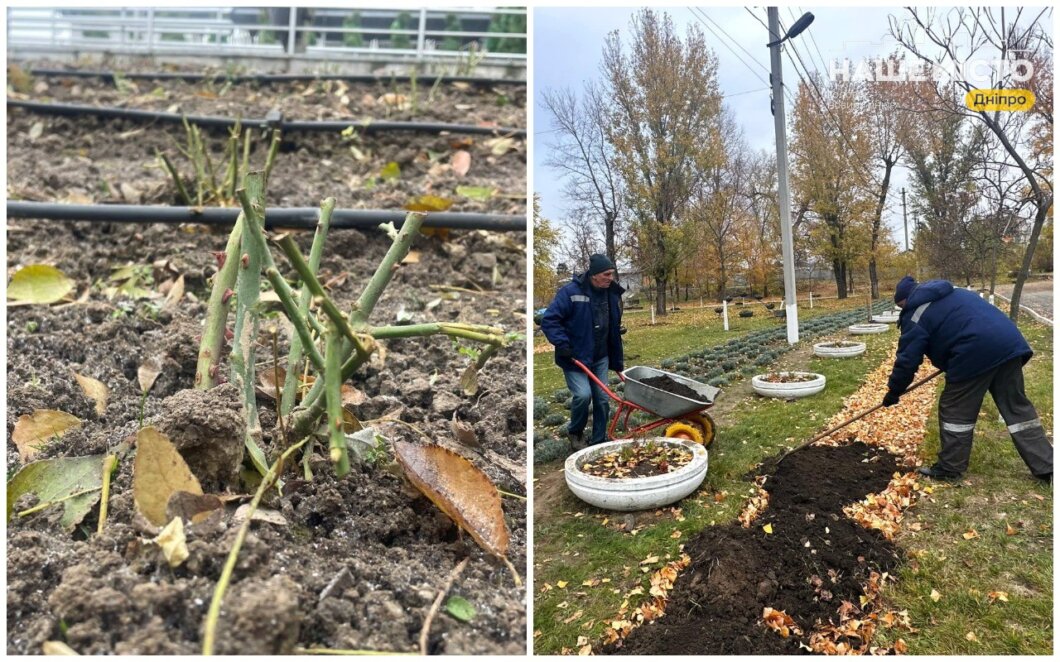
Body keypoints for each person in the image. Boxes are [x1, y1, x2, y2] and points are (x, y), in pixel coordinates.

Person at [883, 276, 1052, 481]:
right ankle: (1047, 466)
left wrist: (894, 391)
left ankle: (950, 468)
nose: (903, 310)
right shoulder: (956, 292)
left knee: (955, 409)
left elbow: (907, 359)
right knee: (1017, 408)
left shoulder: (915, 313)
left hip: (974, 352)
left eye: (901, 305)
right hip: (1009, 345)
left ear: (906, 299)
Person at [541, 254, 625, 450]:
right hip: (575, 356)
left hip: (600, 355)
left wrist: (615, 329)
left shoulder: (610, 292)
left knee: (603, 397)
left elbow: (610, 317)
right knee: (583, 395)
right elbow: (550, 320)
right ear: (594, 275)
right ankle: (575, 432)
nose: (610, 278)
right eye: (606, 274)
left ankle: (599, 439)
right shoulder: (570, 292)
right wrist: (562, 344)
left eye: (611, 274)